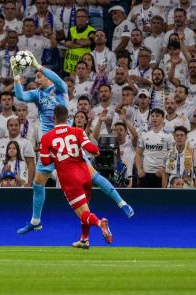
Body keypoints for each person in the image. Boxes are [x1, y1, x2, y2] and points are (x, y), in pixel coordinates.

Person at [12, 52, 133, 235]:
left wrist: (38, 66)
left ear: (46, 77)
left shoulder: (60, 89)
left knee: (93, 176)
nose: (36, 79)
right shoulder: (37, 94)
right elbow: (20, 95)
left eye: (39, 76)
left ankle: (121, 202)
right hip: (49, 144)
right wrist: (15, 74)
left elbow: (58, 80)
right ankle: (35, 221)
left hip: (66, 142)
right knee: (38, 184)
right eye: (36, 75)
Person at [39, 105, 113, 249]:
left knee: (83, 213)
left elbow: (45, 162)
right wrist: (97, 152)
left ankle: (100, 223)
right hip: (85, 175)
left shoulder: (47, 137)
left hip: (70, 179)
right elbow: (92, 149)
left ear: (53, 118)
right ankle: (84, 239)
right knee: (85, 208)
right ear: (68, 118)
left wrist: (57, 156)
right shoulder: (77, 131)